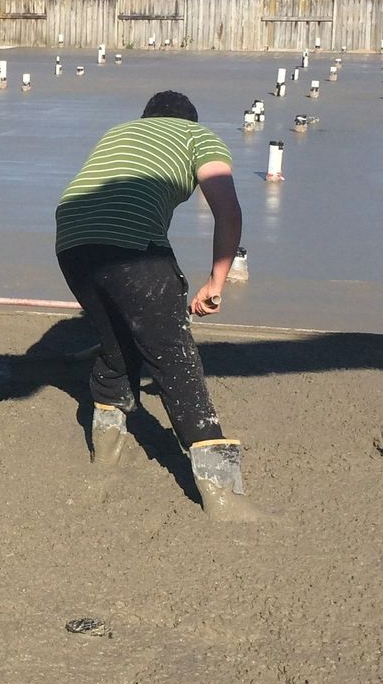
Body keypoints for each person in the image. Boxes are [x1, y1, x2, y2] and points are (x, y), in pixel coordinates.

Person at [54, 90, 248, 512]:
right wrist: (216, 282)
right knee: (175, 358)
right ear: (189, 123)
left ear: (147, 118)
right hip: (130, 242)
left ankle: (105, 455)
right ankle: (223, 497)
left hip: (71, 236)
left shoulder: (120, 132)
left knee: (119, 347)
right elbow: (228, 212)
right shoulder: (200, 138)